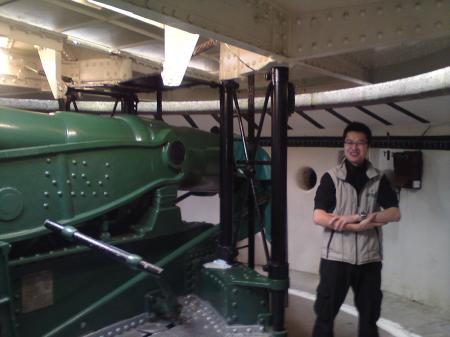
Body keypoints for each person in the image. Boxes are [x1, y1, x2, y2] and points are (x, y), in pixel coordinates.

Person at [312, 122, 401, 337]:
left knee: (370, 319)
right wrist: (355, 224)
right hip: (335, 259)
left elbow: (394, 213)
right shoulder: (331, 177)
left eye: (360, 143)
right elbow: (318, 216)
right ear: (344, 145)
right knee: (324, 317)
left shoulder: (378, 179)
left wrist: (363, 218)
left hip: (369, 260)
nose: (354, 147)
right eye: (350, 142)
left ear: (367, 146)